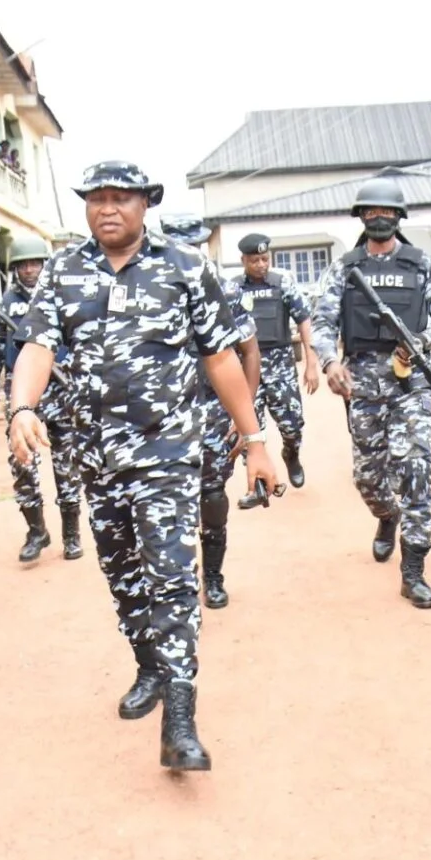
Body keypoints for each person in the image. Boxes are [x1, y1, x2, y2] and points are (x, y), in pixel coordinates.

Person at [9, 161, 278, 772]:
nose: (106, 209)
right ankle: (148, 666)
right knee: (123, 573)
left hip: (167, 453)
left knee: (174, 575)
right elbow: (38, 345)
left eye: (119, 199)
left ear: (146, 205)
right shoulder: (63, 271)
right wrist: (23, 405)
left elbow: (221, 360)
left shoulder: (186, 268)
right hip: (95, 454)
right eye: (95, 199)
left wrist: (254, 439)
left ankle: (180, 717)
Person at [312, 178, 431, 609]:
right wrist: (329, 362)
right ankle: (386, 516)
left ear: (399, 216)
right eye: (370, 211)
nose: (379, 217)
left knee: (415, 468)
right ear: (360, 216)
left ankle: (413, 571)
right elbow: (322, 322)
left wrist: (420, 337)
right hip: (361, 383)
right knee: (368, 478)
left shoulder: (421, 265)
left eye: (386, 211)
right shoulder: (344, 267)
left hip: (409, 381)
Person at [158, 214, 262, 609]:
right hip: (164, 413)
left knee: (213, 494)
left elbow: (249, 352)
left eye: (194, 244)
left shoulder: (224, 289)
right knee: (167, 498)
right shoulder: (151, 288)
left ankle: (213, 576)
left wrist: (244, 414)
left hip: (214, 408)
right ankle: (179, 579)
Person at [0, 232, 83, 563]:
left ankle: (71, 535)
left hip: (62, 394)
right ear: (14, 269)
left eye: (36, 263)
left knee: (67, 467)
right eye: (24, 265)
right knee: (23, 466)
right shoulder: (7, 307)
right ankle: (36, 531)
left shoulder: (62, 298)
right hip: (23, 399)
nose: (30, 270)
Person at [234, 232, 320, 501]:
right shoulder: (233, 288)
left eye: (264, 259)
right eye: (254, 260)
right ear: (243, 260)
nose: (261, 264)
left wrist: (311, 363)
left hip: (280, 363)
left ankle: (291, 453)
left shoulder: (283, 283)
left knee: (292, 425)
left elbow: (304, 318)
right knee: (250, 429)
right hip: (247, 367)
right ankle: (258, 488)